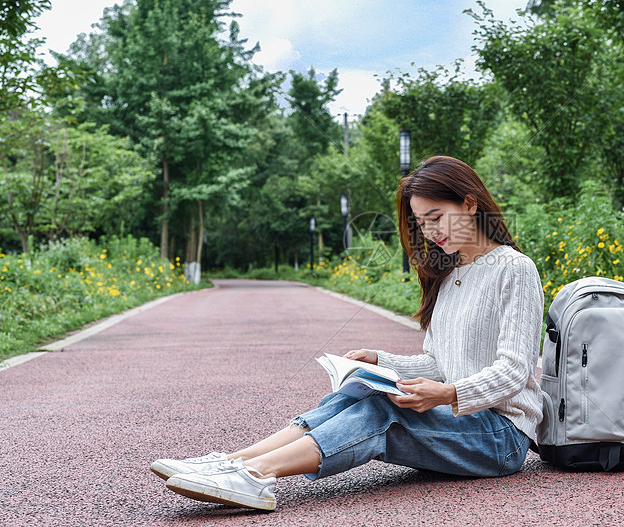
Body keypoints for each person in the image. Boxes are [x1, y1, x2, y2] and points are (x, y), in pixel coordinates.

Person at [150, 156, 545, 511]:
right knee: (358, 389)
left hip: (499, 436)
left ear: (471, 204)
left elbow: (514, 371)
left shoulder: (514, 269)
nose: (429, 232)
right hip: (460, 420)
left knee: (382, 410)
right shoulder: (448, 272)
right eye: (421, 222)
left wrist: (447, 394)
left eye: (436, 217)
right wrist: (380, 360)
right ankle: (234, 461)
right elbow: (440, 362)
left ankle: (256, 475)